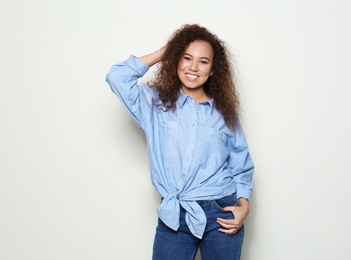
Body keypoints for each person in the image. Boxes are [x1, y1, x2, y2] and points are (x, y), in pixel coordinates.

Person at [106, 24, 254, 260]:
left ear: (213, 70)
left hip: (221, 213)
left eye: (203, 61)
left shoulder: (224, 113)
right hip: (174, 215)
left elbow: (241, 162)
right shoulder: (154, 104)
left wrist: (244, 205)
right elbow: (117, 77)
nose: (194, 67)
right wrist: (164, 52)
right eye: (186, 58)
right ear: (176, 60)